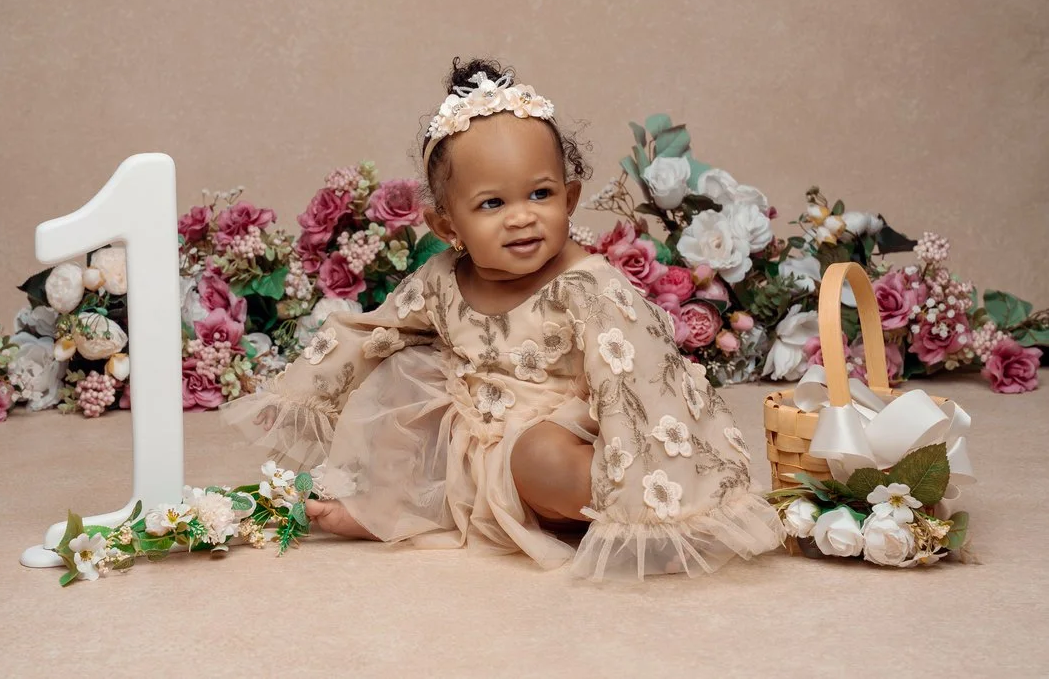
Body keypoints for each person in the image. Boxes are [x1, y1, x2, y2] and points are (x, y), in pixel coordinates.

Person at [225, 58, 783, 578]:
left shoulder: (587, 285)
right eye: (492, 204)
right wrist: (301, 395)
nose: (521, 218)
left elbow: (638, 382)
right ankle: (384, 508)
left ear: (569, 198)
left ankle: (620, 516)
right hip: (473, 446)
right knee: (402, 374)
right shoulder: (442, 279)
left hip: (583, 437)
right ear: (447, 227)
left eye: (540, 194)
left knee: (540, 455)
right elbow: (373, 330)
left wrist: (649, 489)